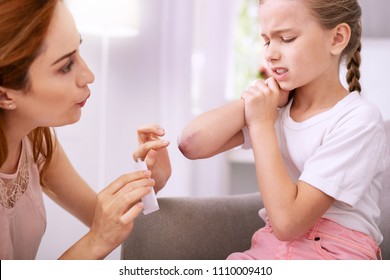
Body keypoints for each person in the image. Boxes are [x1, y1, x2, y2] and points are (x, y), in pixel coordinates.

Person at [178, 0, 389, 259]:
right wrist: (254, 104)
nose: (270, 54)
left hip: (335, 254)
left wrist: (261, 124)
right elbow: (191, 143)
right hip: (270, 250)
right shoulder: (274, 110)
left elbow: (288, 223)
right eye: (267, 40)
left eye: (287, 39)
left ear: (337, 38)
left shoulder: (358, 119)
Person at [0, 0, 171, 260]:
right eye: (65, 66)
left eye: (78, 50)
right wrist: (94, 242)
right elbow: (100, 231)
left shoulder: (35, 141)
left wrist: (147, 184)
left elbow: (99, 218)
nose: (89, 75)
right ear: (5, 95)